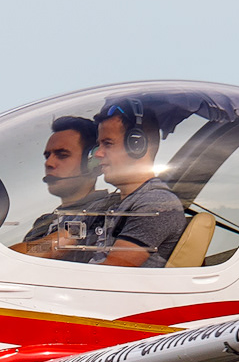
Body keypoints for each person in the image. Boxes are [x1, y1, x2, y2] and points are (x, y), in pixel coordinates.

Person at [69, 103, 187, 267]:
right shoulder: (104, 205)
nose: (97, 153)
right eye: (99, 145)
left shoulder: (156, 204)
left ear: (137, 145)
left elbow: (111, 274)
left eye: (108, 144)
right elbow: (59, 240)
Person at [11, 116, 112, 259]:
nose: (49, 163)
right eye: (47, 156)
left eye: (62, 155)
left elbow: (35, 252)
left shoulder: (108, 211)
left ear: (92, 163)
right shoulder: (44, 222)